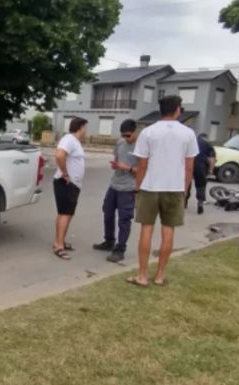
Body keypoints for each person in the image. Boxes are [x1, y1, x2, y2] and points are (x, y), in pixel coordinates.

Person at [127, 95, 198, 287]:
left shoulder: (148, 132)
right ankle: (159, 275)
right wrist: (185, 189)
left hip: (149, 187)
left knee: (146, 230)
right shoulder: (188, 134)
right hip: (174, 188)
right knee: (168, 231)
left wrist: (138, 187)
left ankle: (142, 275)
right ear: (177, 110)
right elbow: (189, 166)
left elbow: (142, 165)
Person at [94, 119, 139, 263]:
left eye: (128, 135)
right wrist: (116, 165)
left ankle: (120, 249)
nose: (126, 138)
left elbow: (145, 171)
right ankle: (109, 241)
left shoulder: (142, 147)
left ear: (135, 132)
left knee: (124, 219)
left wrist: (129, 168)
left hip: (129, 187)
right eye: (123, 135)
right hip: (114, 184)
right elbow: (117, 160)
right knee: (107, 213)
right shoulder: (120, 143)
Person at [52, 117, 88, 260]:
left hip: (73, 185)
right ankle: (59, 246)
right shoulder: (69, 139)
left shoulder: (75, 142)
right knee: (65, 214)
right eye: (85, 127)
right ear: (80, 127)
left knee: (66, 214)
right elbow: (59, 155)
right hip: (66, 183)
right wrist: (65, 173)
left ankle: (59, 241)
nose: (86, 130)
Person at [185, 133, 216, 214]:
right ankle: (200, 202)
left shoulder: (189, 141)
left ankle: (184, 201)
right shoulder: (208, 144)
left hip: (188, 163)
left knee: (187, 182)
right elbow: (212, 159)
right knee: (201, 185)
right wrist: (210, 170)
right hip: (201, 166)